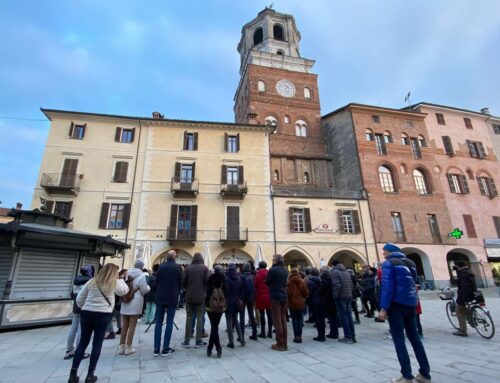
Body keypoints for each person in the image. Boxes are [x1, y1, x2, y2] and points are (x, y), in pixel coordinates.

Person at [378, 243, 431, 383]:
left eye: (384, 251)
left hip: (396, 306)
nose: (383, 254)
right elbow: (413, 283)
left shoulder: (388, 264)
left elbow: (387, 287)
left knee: (399, 340)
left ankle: (407, 376)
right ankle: (425, 374)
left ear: (389, 252)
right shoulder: (410, 262)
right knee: (415, 338)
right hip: (411, 304)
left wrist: (384, 308)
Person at [68, 263, 128, 383]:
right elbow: (124, 291)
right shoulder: (113, 282)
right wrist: (120, 279)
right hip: (103, 315)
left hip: (87, 313)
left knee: (82, 344)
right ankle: (90, 375)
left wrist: (86, 307)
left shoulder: (92, 281)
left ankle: (73, 375)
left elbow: (79, 299)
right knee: (97, 344)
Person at [154, 250, 182, 356]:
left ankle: (156, 348)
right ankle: (165, 348)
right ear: (175, 257)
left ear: (167, 257)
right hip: (172, 297)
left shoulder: (161, 267)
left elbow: (156, 282)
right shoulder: (178, 268)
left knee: (158, 323)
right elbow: (180, 283)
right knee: (169, 322)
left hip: (160, 296)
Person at [119, 259, 151, 356]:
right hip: (136, 301)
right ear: (141, 267)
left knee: (124, 325)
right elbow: (144, 290)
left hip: (125, 301)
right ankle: (128, 347)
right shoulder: (142, 276)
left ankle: (121, 347)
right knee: (132, 326)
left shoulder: (127, 275)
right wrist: (148, 288)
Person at [181, 252, 209, 348]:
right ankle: (198, 340)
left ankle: (186, 340)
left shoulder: (188, 268)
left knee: (189, 318)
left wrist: (187, 289)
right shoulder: (205, 268)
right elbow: (208, 282)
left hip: (189, 296)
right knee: (200, 318)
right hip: (201, 297)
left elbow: (183, 282)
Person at [64, 265, 93, 360]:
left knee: (73, 329)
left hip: (76, 307)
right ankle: (79, 351)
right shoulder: (89, 281)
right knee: (82, 330)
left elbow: (72, 294)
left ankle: (69, 350)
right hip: (84, 307)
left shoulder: (76, 280)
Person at [266, 254, 289, 351]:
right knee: (283, 319)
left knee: (277, 320)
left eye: (273, 259)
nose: (272, 260)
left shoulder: (273, 270)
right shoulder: (285, 270)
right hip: (284, 295)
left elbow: (267, 281)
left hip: (275, 296)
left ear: (276, 260)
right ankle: (285, 343)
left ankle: (280, 344)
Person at [331, 260, 356, 344]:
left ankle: (348, 337)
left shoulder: (335, 272)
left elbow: (336, 285)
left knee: (343, 317)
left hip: (340, 297)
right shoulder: (346, 271)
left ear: (333, 265)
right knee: (349, 316)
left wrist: (335, 296)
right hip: (349, 296)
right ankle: (353, 336)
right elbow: (351, 285)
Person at [205, 265, 227, 357]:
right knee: (215, 326)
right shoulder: (224, 279)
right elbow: (227, 292)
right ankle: (218, 348)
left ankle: (211, 347)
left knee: (214, 326)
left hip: (210, 306)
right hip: (221, 307)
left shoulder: (210, 279)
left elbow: (206, 291)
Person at [453, 260, 477, 337]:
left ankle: (463, 330)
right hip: (472, 293)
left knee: (458, 311)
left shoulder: (462, 274)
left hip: (464, 294)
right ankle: (471, 319)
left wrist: (464, 298)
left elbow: (465, 287)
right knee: (463, 308)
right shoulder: (468, 272)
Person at [225, 263, 245, 348]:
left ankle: (231, 342)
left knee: (229, 322)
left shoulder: (226, 278)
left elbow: (225, 291)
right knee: (236, 320)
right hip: (236, 302)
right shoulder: (239, 278)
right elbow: (241, 291)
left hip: (229, 302)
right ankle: (241, 339)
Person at [288, 268, 308, 343]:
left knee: (294, 320)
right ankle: (300, 336)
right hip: (300, 302)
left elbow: (288, 293)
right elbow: (306, 292)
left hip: (292, 303)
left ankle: (296, 336)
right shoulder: (302, 281)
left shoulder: (289, 282)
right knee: (299, 320)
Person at [255, 261, 273, 338]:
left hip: (261, 296)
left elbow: (255, 285)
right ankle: (270, 332)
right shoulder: (270, 273)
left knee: (262, 314)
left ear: (259, 266)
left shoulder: (258, 274)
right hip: (269, 296)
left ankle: (263, 332)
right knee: (269, 314)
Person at [240, 263, 258, 340]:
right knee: (251, 316)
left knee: (242, 317)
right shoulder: (252, 276)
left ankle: (242, 336)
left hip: (243, 298)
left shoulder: (241, 276)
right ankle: (255, 333)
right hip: (251, 298)